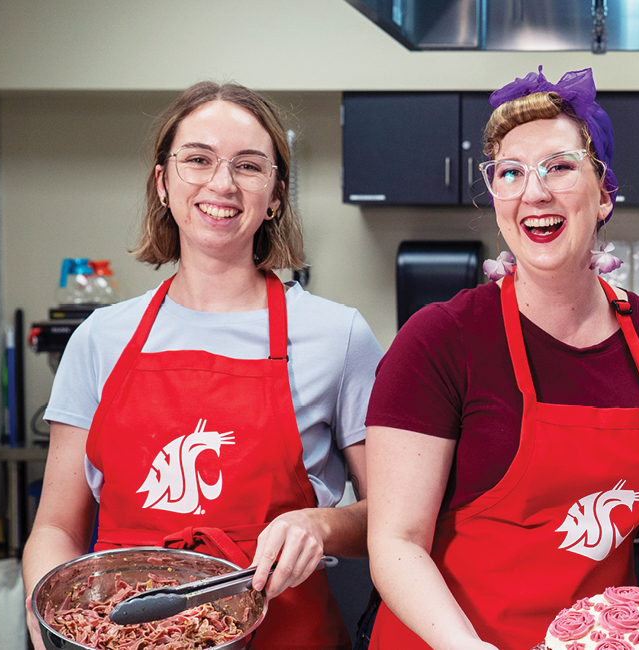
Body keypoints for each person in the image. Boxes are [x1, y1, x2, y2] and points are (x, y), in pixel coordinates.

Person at [364, 68, 639, 650]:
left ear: (604, 192)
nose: (534, 191)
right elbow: (396, 540)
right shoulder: (439, 339)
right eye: (510, 173)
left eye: (559, 166)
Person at [23, 81, 382, 650]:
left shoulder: (338, 336)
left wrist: (321, 525)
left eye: (248, 166)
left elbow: (394, 518)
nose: (222, 183)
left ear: (276, 195)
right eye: (198, 160)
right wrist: (50, 627)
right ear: (163, 184)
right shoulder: (100, 339)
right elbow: (56, 528)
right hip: (124, 638)